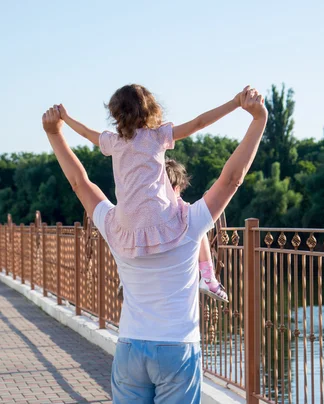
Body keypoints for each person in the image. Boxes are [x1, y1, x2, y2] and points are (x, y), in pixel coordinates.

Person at [42, 86, 267, 404]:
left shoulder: (118, 225)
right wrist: (256, 119)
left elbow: (81, 182)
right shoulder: (188, 223)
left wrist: (55, 133)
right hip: (178, 352)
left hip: (130, 351)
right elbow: (232, 177)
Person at [58, 84, 245, 301]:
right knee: (188, 214)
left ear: (116, 114)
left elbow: (85, 133)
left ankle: (127, 278)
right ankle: (208, 276)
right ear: (150, 109)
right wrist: (234, 103)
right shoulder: (157, 136)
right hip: (158, 215)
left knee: (116, 226)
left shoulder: (113, 141)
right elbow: (198, 123)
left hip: (127, 220)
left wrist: (65, 118)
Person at [117, 158, 222, 302]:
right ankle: (208, 277)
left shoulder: (145, 204)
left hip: (144, 251)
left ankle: (126, 277)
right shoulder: (182, 208)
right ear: (177, 187)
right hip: (174, 242)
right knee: (198, 227)